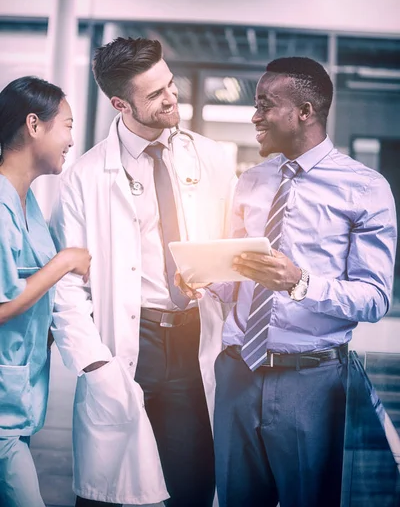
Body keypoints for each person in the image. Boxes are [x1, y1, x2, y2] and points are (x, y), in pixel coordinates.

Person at [180, 56, 397, 507]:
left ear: (306, 111)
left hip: (312, 384)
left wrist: (300, 282)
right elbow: (238, 276)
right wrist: (202, 278)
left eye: (265, 104)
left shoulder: (365, 188)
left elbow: (375, 298)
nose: (255, 115)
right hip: (238, 371)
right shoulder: (253, 181)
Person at [49, 37, 237, 506]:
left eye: (170, 84)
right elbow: (67, 288)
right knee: (111, 491)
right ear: (120, 103)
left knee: (192, 482)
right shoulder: (85, 179)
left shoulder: (212, 160)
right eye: (155, 95)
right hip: (128, 347)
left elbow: (235, 252)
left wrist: (222, 275)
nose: (172, 98)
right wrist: (95, 364)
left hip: (195, 339)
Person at [0, 76, 91, 507]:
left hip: (18, 404)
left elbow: (33, 296)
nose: (72, 139)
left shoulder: (28, 202)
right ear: (34, 125)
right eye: (68, 126)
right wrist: (65, 261)